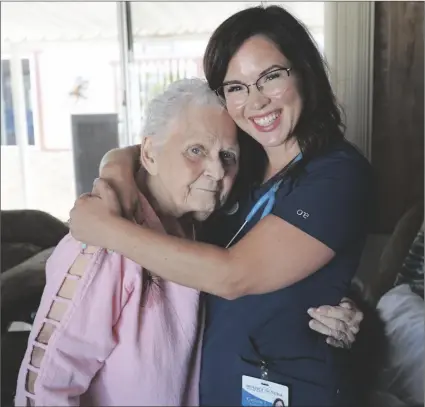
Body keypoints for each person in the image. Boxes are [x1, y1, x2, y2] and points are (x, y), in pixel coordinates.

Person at [69, 5, 371, 406]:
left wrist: (106, 229)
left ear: (303, 71)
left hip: (292, 389)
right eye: (236, 87)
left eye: (271, 77)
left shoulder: (338, 176)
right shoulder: (236, 160)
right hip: (212, 385)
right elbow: (157, 149)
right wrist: (117, 170)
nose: (256, 101)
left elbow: (233, 275)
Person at [14, 79, 240, 406]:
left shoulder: (192, 228)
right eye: (196, 150)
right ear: (149, 153)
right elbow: (45, 387)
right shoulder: (103, 242)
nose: (217, 171)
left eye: (228, 156)